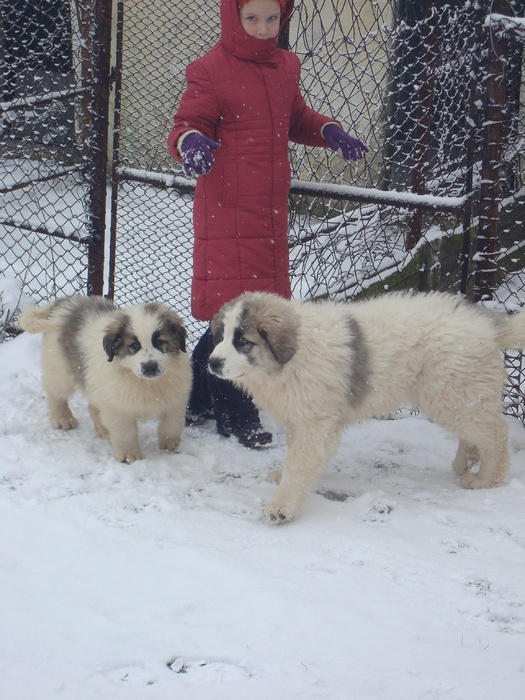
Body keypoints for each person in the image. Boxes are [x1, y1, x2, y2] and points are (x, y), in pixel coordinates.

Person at [167, 0, 367, 448]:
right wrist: (191, 141)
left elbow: (293, 116)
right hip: (227, 208)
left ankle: (197, 399)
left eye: (271, 18)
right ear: (233, 17)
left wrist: (328, 130)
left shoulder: (285, 66)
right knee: (234, 314)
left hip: (270, 211)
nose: (262, 28)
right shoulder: (209, 68)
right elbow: (186, 123)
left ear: (283, 17)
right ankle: (235, 413)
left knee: (234, 313)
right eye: (252, 18)